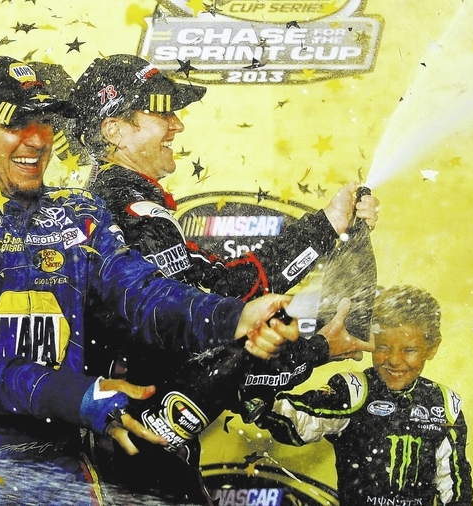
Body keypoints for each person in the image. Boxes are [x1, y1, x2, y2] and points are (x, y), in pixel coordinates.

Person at [0, 54, 299, 506]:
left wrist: (235, 316)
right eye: (15, 123)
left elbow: (141, 294)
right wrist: (78, 396)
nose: (36, 139)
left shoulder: (78, 211)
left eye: (44, 120)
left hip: (60, 450)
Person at [68, 54, 378, 504]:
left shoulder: (118, 204)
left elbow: (221, 290)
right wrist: (317, 347)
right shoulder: (128, 212)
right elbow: (210, 325)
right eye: (161, 112)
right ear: (114, 130)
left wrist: (329, 225)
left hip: (133, 443)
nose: (177, 125)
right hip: (135, 454)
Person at [259, 285, 473, 506]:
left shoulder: (444, 404)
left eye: (408, 350)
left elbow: (456, 486)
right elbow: (299, 421)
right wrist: (257, 401)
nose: (394, 360)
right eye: (383, 347)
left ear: (432, 348)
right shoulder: (354, 390)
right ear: (368, 340)